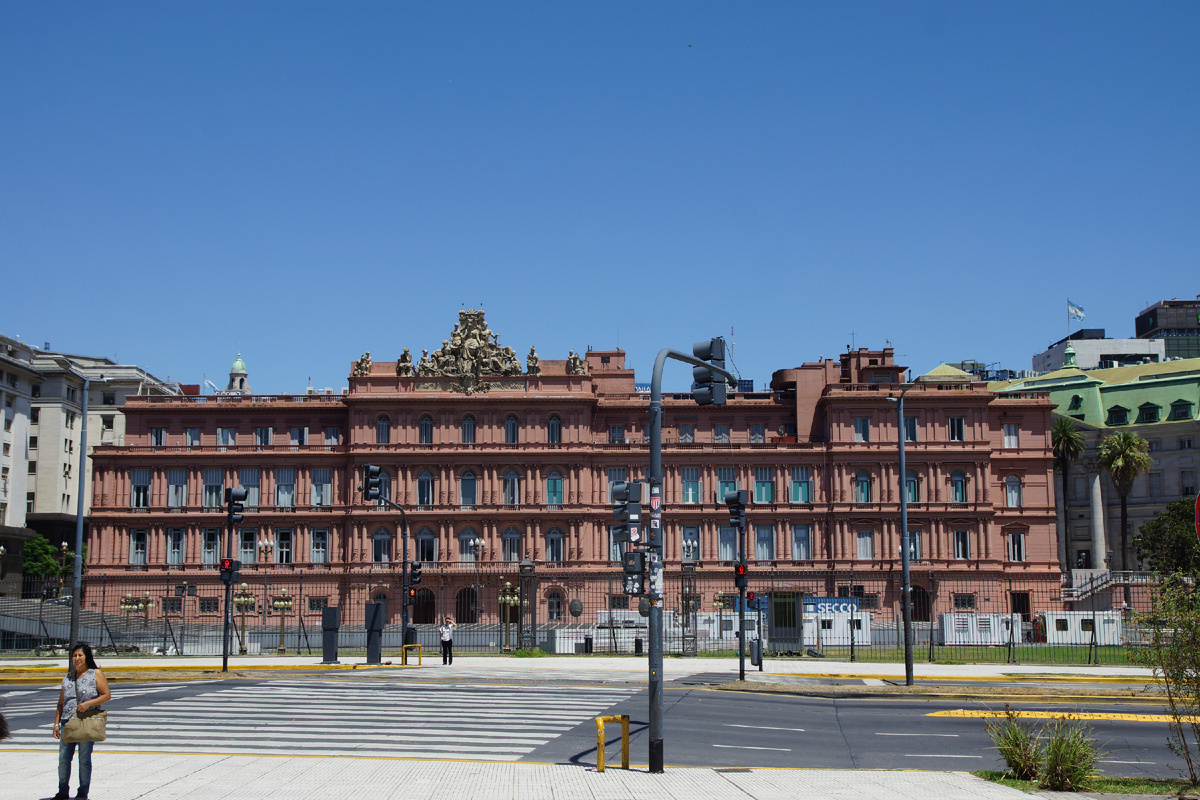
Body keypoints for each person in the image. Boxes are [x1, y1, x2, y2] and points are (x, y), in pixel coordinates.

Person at [52, 643, 110, 800]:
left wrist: (88, 704)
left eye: (80, 655)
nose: (77, 658)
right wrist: (56, 724)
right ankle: (62, 790)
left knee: (84, 759)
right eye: (74, 656)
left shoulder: (95, 674)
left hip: (86, 721)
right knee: (64, 759)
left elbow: (106, 695)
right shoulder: (69, 677)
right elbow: (60, 703)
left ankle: (82, 792)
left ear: (87, 657)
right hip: (67, 723)